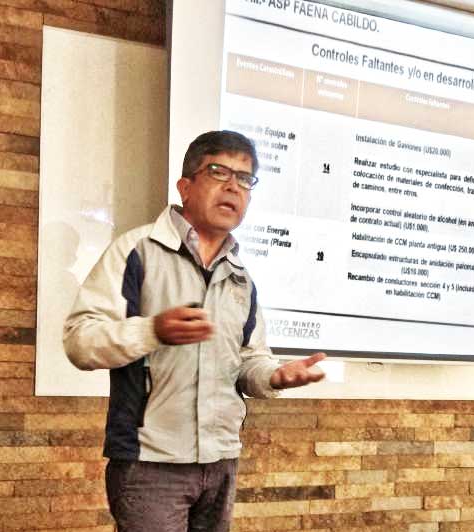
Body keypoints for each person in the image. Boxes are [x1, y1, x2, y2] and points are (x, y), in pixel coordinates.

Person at [63, 130, 326, 532]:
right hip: (150, 462)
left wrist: (274, 376)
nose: (233, 187)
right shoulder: (137, 251)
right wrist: (152, 331)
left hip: (221, 460)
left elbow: (248, 360)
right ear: (185, 186)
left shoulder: (241, 278)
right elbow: (80, 340)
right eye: (219, 172)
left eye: (245, 179)